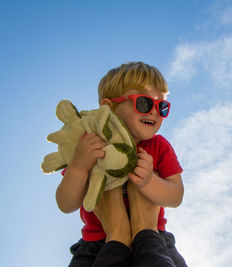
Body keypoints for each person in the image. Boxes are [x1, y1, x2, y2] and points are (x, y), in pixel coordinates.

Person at [55, 62, 187, 267]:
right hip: (96, 244)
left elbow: (176, 195)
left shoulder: (159, 146)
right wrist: (79, 167)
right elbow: (66, 204)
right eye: (144, 103)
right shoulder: (90, 144)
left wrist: (149, 181)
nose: (154, 112)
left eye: (161, 106)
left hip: (157, 238)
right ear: (109, 107)